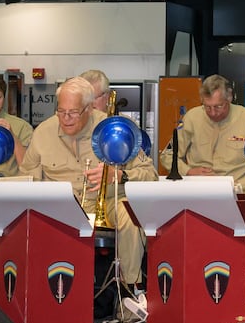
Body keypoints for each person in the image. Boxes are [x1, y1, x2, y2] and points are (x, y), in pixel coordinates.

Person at [20, 76, 157, 291]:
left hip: (109, 202)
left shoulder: (114, 130)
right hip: (61, 208)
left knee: (131, 217)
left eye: (73, 112)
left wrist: (120, 175)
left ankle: (132, 290)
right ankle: (37, 293)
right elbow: (27, 179)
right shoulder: (42, 133)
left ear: (89, 108)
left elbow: (150, 174)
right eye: (61, 111)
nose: (65, 118)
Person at [157, 74, 245, 211]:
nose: (213, 113)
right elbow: (167, 154)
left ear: (229, 97)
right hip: (198, 189)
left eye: (218, 106)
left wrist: (243, 184)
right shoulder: (191, 118)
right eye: (207, 107)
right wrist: (188, 171)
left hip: (238, 190)